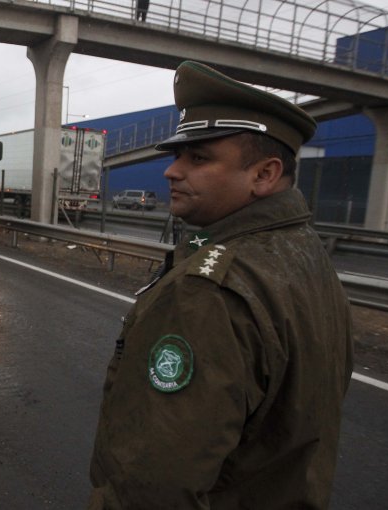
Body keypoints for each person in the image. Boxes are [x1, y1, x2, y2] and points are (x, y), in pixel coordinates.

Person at [86, 61, 353, 509]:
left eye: (199, 158)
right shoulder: (304, 254)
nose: (172, 171)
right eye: (177, 156)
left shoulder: (207, 292)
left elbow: (155, 484)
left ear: (263, 175)